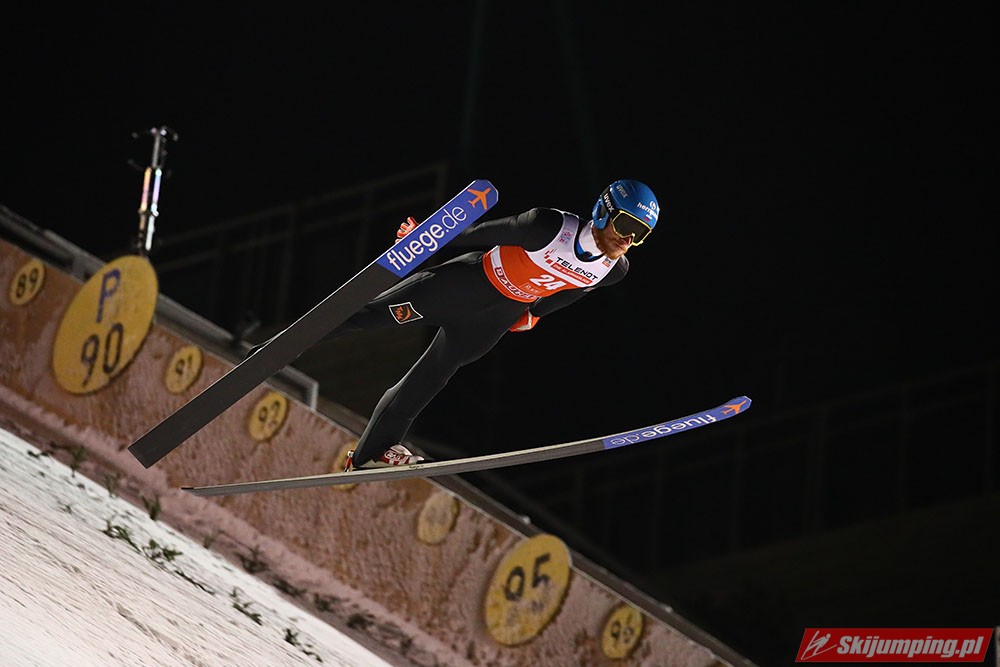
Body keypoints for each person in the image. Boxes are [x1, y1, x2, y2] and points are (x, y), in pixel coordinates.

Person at [325, 179, 661, 470]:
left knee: (431, 376)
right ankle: (297, 341)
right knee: (369, 316)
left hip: (492, 321)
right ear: (603, 212)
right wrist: (424, 238)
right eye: (625, 225)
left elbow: (573, 292)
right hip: (463, 287)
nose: (628, 238)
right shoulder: (548, 226)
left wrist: (535, 313)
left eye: (641, 234)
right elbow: (476, 234)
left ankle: (372, 452)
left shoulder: (614, 270)